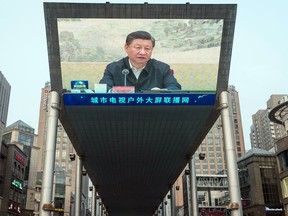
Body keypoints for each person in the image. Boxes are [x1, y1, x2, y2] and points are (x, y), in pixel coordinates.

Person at [99, 31, 181, 92]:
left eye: (147, 48)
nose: (142, 52)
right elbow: (103, 89)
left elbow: (175, 88)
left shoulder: (162, 68)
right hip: (122, 110)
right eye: (138, 47)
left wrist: (160, 92)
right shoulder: (113, 68)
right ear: (126, 47)